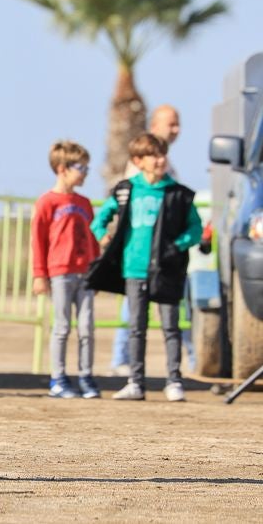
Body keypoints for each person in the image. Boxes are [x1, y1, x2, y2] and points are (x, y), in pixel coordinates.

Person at [89, 133, 202, 402]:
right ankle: (135, 382)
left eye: (163, 154)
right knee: (136, 327)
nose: (161, 160)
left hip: (167, 271)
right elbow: (101, 218)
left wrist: (177, 246)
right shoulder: (126, 189)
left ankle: (174, 381)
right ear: (139, 161)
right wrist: (101, 233)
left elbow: (195, 229)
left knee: (170, 327)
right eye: (154, 155)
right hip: (133, 269)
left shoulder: (179, 194)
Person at [108, 105, 192, 375]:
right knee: (134, 312)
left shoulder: (168, 166)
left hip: (163, 253)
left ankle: (184, 364)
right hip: (140, 251)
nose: (176, 130)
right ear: (156, 126)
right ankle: (124, 361)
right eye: (172, 124)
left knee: (169, 315)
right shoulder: (140, 163)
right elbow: (128, 203)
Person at [30, 141, 101, 399]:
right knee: (62, 327)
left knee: (87, 327)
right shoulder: (47, 202)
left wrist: (98, 266)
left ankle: (86, 376)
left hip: (86, 273)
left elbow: (92, 237)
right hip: (60, 273)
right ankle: (58, 378)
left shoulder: (84, 202)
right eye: (81, 167)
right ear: (62, 168)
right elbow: (38, 240)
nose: (84, 172)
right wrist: (40, 274)